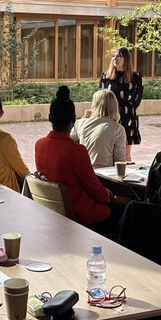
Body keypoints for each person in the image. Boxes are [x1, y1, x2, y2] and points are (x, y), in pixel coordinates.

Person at [35, 86, 117, 235]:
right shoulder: (76, 151)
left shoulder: (39, 145)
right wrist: (108, 195)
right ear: (73, 119)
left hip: (52, 211)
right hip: (79, 213)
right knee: (123, 210)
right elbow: (95, 191)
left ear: (50, 118)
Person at [100, 47, 142, 161]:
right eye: (113, 56)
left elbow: (137, 99)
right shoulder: (106, 76)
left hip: (127, 116)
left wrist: (127, 110)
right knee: (109, 151)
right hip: (109, 116)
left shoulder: (135, 77)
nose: (115, 58)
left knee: (125, 154)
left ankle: (126, 177)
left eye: (119, 56)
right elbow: (101, 97)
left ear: (126, 59)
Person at [70, 89, 126, 168]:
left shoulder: (80, 123)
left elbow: (69, 142)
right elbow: (120, 160)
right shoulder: (117, 129)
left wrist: (83, 119)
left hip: (83, 171)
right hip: (104, 174)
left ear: (94, 104)